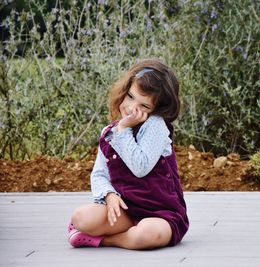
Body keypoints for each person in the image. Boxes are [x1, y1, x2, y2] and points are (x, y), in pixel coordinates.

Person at [68, 58, 189, 250]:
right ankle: (122, 231)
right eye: (131, 97)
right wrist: (109, 195)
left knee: (147, 235)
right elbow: (99, 174)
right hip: (127, 211)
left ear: (157, 110)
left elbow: (140, 167)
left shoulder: (155, 126)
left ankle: (106, 239)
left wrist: (123, 130)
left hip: (161, 214)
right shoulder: (110, 133)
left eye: (144, 106)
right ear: (124, 91)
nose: (133, 108)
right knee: (80, 217)